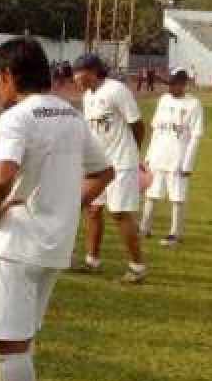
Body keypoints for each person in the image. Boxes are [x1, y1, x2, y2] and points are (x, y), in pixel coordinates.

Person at [0, 37, 113, 381]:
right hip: (54, 244)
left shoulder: (17, 117)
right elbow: (104, 171)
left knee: (9, 343)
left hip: (15, 244)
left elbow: (1, 176)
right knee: (24, 333)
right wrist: (70, 205)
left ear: (10, 76)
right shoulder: (69, 113)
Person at [73, 54, 148, 283]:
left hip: (122, 163)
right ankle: (92, 261)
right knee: (93, 210)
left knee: (119, 213)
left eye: (80, 72)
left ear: (94, 71)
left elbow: (137, 124)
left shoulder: (116, 90)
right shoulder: (88, 96)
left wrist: (132, 154)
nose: (76, 77)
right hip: (99, 165)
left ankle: (137, 267)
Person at [141, 69, 204, 247]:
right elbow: (156, 130)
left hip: (178, 160)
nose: (170, 87)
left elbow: (195, 136)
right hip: (158, 156)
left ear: (184, 84)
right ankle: (145, 228)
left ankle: (175, 234)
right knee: (151, 193)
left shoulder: (193, 104)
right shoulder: (163, 100)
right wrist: (148, 156)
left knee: (177, 196)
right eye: (169, 83)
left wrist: (188, 164)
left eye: (174, 84)